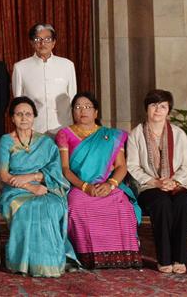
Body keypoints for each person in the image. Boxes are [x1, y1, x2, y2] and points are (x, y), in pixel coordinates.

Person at [55, 91, 140, 268]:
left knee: (123, 206)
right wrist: (84, 186)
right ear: (72, 112)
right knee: (77, 206)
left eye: (87, 107)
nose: (82, 110)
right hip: (79, 186)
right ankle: (88, 257)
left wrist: (111, 184)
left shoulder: (112, 136)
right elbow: (65, 169)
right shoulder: (65, 134)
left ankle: (124, 256)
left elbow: (121, 167)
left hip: (107, 185)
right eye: (78, 107)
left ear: (96, 112)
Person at [0, 96, 75, 277]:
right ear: (12, 118)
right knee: (28, 208)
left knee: (50, 207)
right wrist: (30, 187)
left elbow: (55, 170)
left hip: (45, 186)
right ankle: (23, 263)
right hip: (15, 190)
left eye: (28, 114)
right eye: (19, 114)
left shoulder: (46, 142)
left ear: (34, 117)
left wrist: (33, 178)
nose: (24, 118)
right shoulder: (6, 141)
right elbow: (4, 175)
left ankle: (49, 263)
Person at [126, 88, 187, 275]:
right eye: (153, 105)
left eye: (163, 106)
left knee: (184, 202)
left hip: (177, 184)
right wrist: (155, 182)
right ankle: (164, 258)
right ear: (146, 109)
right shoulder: (136, 134)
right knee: (162, 202)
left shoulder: (179, 134)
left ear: (168, 110)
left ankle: (180, 258)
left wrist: (174, 182)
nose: (158, 110)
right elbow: (132, 167)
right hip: (148, 187)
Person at [11, 23, 78, 134]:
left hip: (63, 128)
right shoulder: (20, 67)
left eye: (47, 39)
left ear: (54, 42)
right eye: (38, 39)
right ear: (32, 43)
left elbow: (73, 98)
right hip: (34, 130)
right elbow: (18, 103)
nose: (43, 43)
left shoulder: (67, 65)